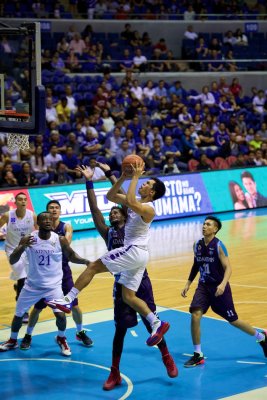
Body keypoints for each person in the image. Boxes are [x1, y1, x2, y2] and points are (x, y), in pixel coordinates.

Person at [46, 161, 170, 351]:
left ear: (152, 193)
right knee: (128, 296)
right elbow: (110, 195)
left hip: (134, 250)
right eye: (143, 182)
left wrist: (135, 176)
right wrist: (122, 177)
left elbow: (129, 201)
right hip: (138, 255)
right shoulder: (136, 201)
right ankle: (155, 323)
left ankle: (67, 300)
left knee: (93, 266)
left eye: (147, 184)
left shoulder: (149, 208)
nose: (143, 184)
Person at [76, 163, 178, 389]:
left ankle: (166, 356)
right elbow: (97, 208)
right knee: (120, 329)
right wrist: (93, 180)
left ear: (123, 213)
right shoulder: (108, 232)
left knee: (151, 322)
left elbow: (128, 198)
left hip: (141, 277)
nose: (113, 213)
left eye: (116, 211)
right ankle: (115, 372)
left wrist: (119, 176)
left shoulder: (135, 215)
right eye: (111, 211)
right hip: (121, 282)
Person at [181, 215, 267, 367]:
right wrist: (188, 283)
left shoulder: (219, 245)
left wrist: (222, 284)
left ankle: (261, 337)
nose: (204, 226)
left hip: (219, 288)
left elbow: (228, 268)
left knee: (233, 320)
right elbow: (196, 264)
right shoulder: (197, 245)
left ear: (215, 229)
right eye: (204, 224)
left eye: (208, 225)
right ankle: (198, 354)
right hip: (203, 287)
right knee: (195, 315)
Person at [0, 212, 90, 356]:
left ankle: (61, 338)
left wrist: (85, 261)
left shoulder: (60, 240)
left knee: (60, 316)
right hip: (32, 286)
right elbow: (13, 260)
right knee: (18, 315)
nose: (48, 221)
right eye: (44, 219)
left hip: (53, 287)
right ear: (38, 223)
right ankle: (13, 340)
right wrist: (22, 246)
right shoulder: (29, 238)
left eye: (49, 219)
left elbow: (72, 256)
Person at [19, 200, 93, 350]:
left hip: (63, 272)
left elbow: (66, 243)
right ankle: (28, 335)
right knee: (38, 308)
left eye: (56, 208)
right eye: (51, 208)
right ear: (46, 213)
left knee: (74, 305)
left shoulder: (65, 227)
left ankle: (80, 332)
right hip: (43, 275)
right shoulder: (38, 230)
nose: (54, 210)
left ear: (60, 211)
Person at [0, 192, 37, 323]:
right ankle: (24, 311)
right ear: (15, 202)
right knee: (23, 276)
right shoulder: (7, 215)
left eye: (25, 199)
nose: (23, 201)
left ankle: (18, 286)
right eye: (20, 199)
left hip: (27, 250)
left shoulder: (32, 215)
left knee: (27, 277)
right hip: (12, 250)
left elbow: (38, 232)